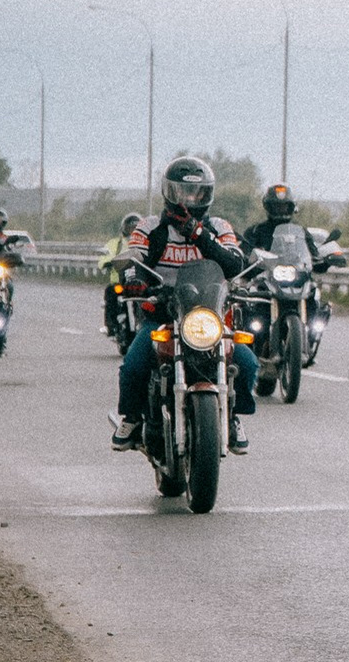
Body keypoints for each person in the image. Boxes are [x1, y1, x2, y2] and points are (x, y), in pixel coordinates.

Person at [110, 156, 259, 455]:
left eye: (197, 193)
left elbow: (233, 263)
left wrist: (197, 232)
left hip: (209, 317)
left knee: (247, 361)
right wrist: (132, 278)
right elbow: (133, 259)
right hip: (165, 316)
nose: (190, 200)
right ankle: (133, 418)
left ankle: (232, 417)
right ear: (169, 192)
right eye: (183, 193)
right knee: (134, 364)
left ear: (208, 194)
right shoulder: (150, 226)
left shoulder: (219, 226)